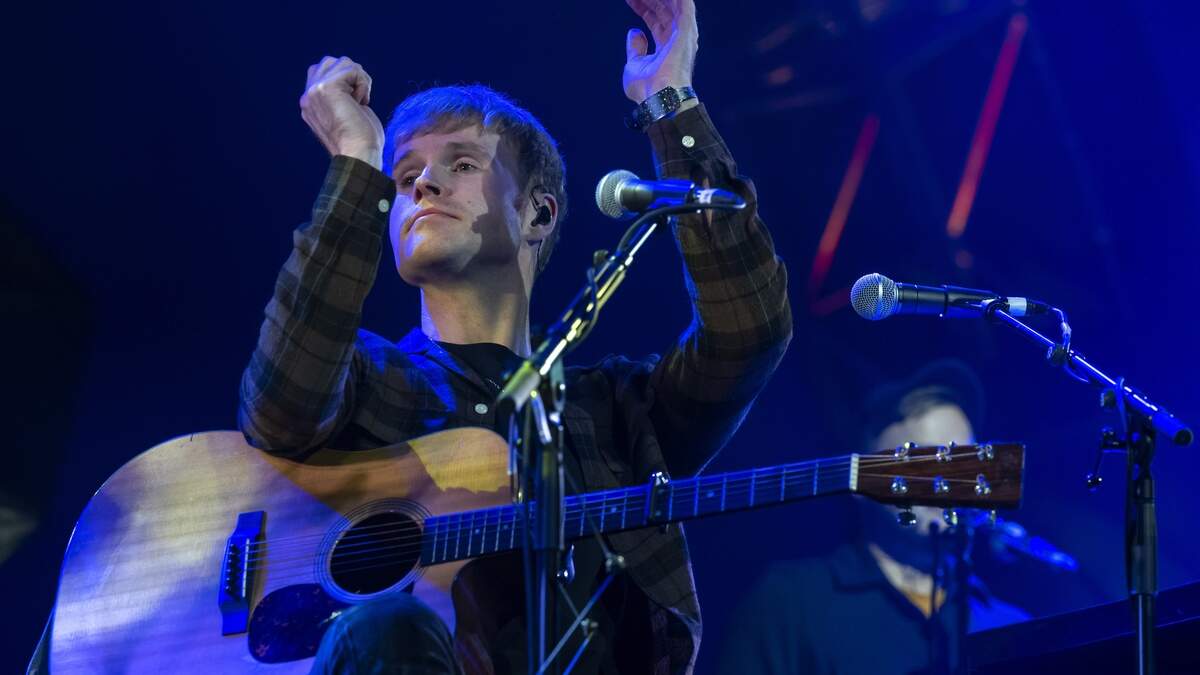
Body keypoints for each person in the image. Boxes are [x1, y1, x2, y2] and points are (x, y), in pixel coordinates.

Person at [237, 0, 791, 672]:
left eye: (462, 164)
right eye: (404, 175)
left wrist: (670, 102)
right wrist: (358, 163)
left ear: (538, 213)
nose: (424, 184)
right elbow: (279, 405)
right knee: (388, 624)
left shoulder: (619, 413)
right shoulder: (364, 386)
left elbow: (750, 328)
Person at [717, 361, 1027, 675]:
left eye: (963, 462)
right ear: (860, 477)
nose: (944, 481)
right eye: (918, 460)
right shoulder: (789, 602)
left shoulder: (1010, 625)